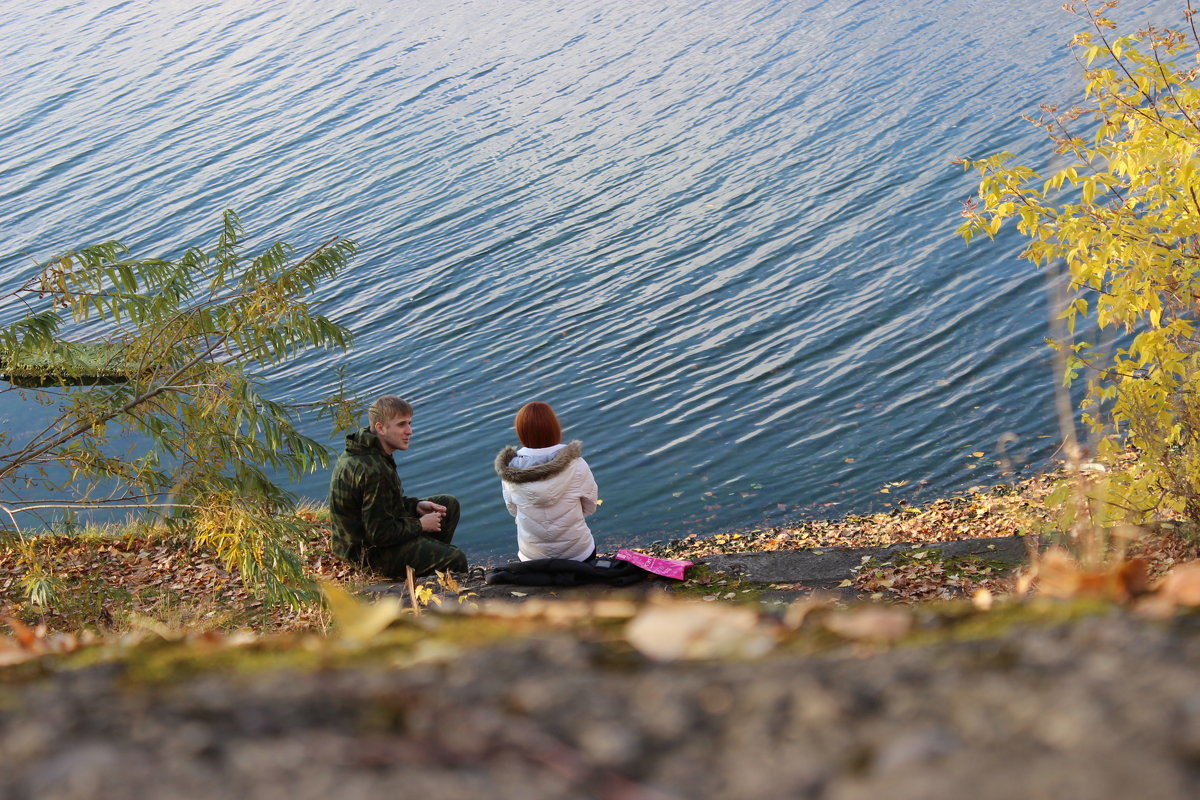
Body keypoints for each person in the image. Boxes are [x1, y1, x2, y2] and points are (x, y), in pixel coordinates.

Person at [328, 395, 468, 578]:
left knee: (447, 505)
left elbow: (381, 504)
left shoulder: (367, 449)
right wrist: (420, 525)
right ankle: (436, 574)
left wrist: (415, 506)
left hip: (366, 539)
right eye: (401, 424)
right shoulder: (374, 470)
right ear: (380, 428)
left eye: (409, 423)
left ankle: (427, 564)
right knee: (456, 559)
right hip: (367, 554)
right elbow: (379, 534)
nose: (409, 431)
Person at [494, 401, 598, 562]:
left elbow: (513, 511)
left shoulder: (510, 471)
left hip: (531, 557)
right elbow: (590, 506)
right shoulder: (576, 463)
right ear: (555, 428)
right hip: (578, 554)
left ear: (521, 432)